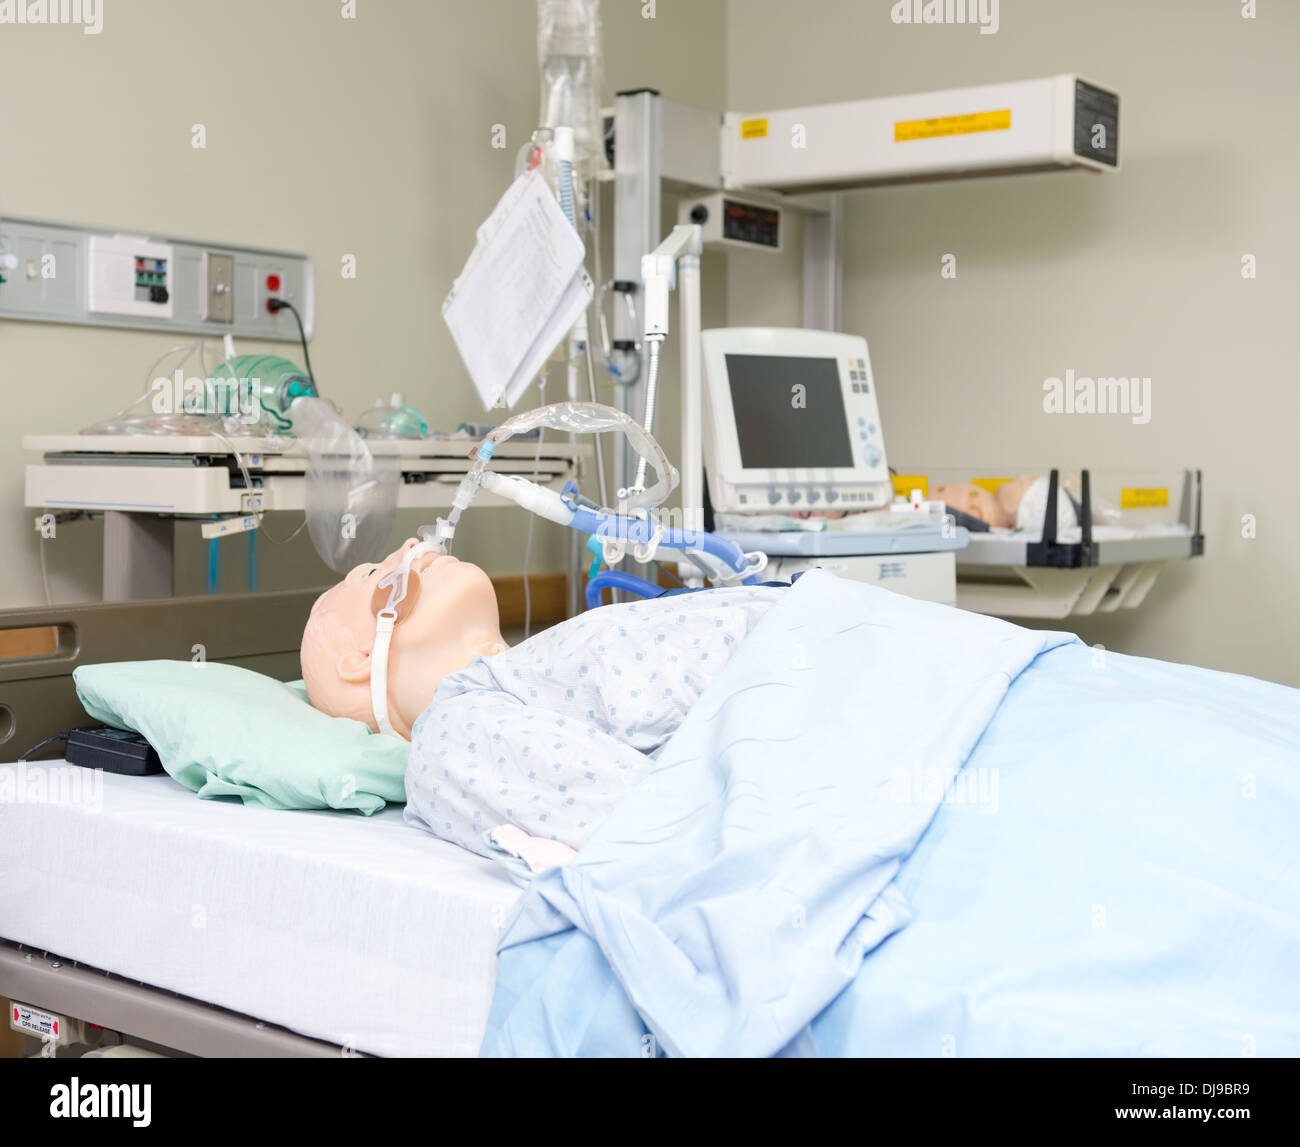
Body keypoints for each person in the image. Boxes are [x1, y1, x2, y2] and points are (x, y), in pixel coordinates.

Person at [301, 539, 784, 865]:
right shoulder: (450, 733)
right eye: (372, 572)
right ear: (359, 659)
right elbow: (671, 831)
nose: (409, 547)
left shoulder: (526, 675)